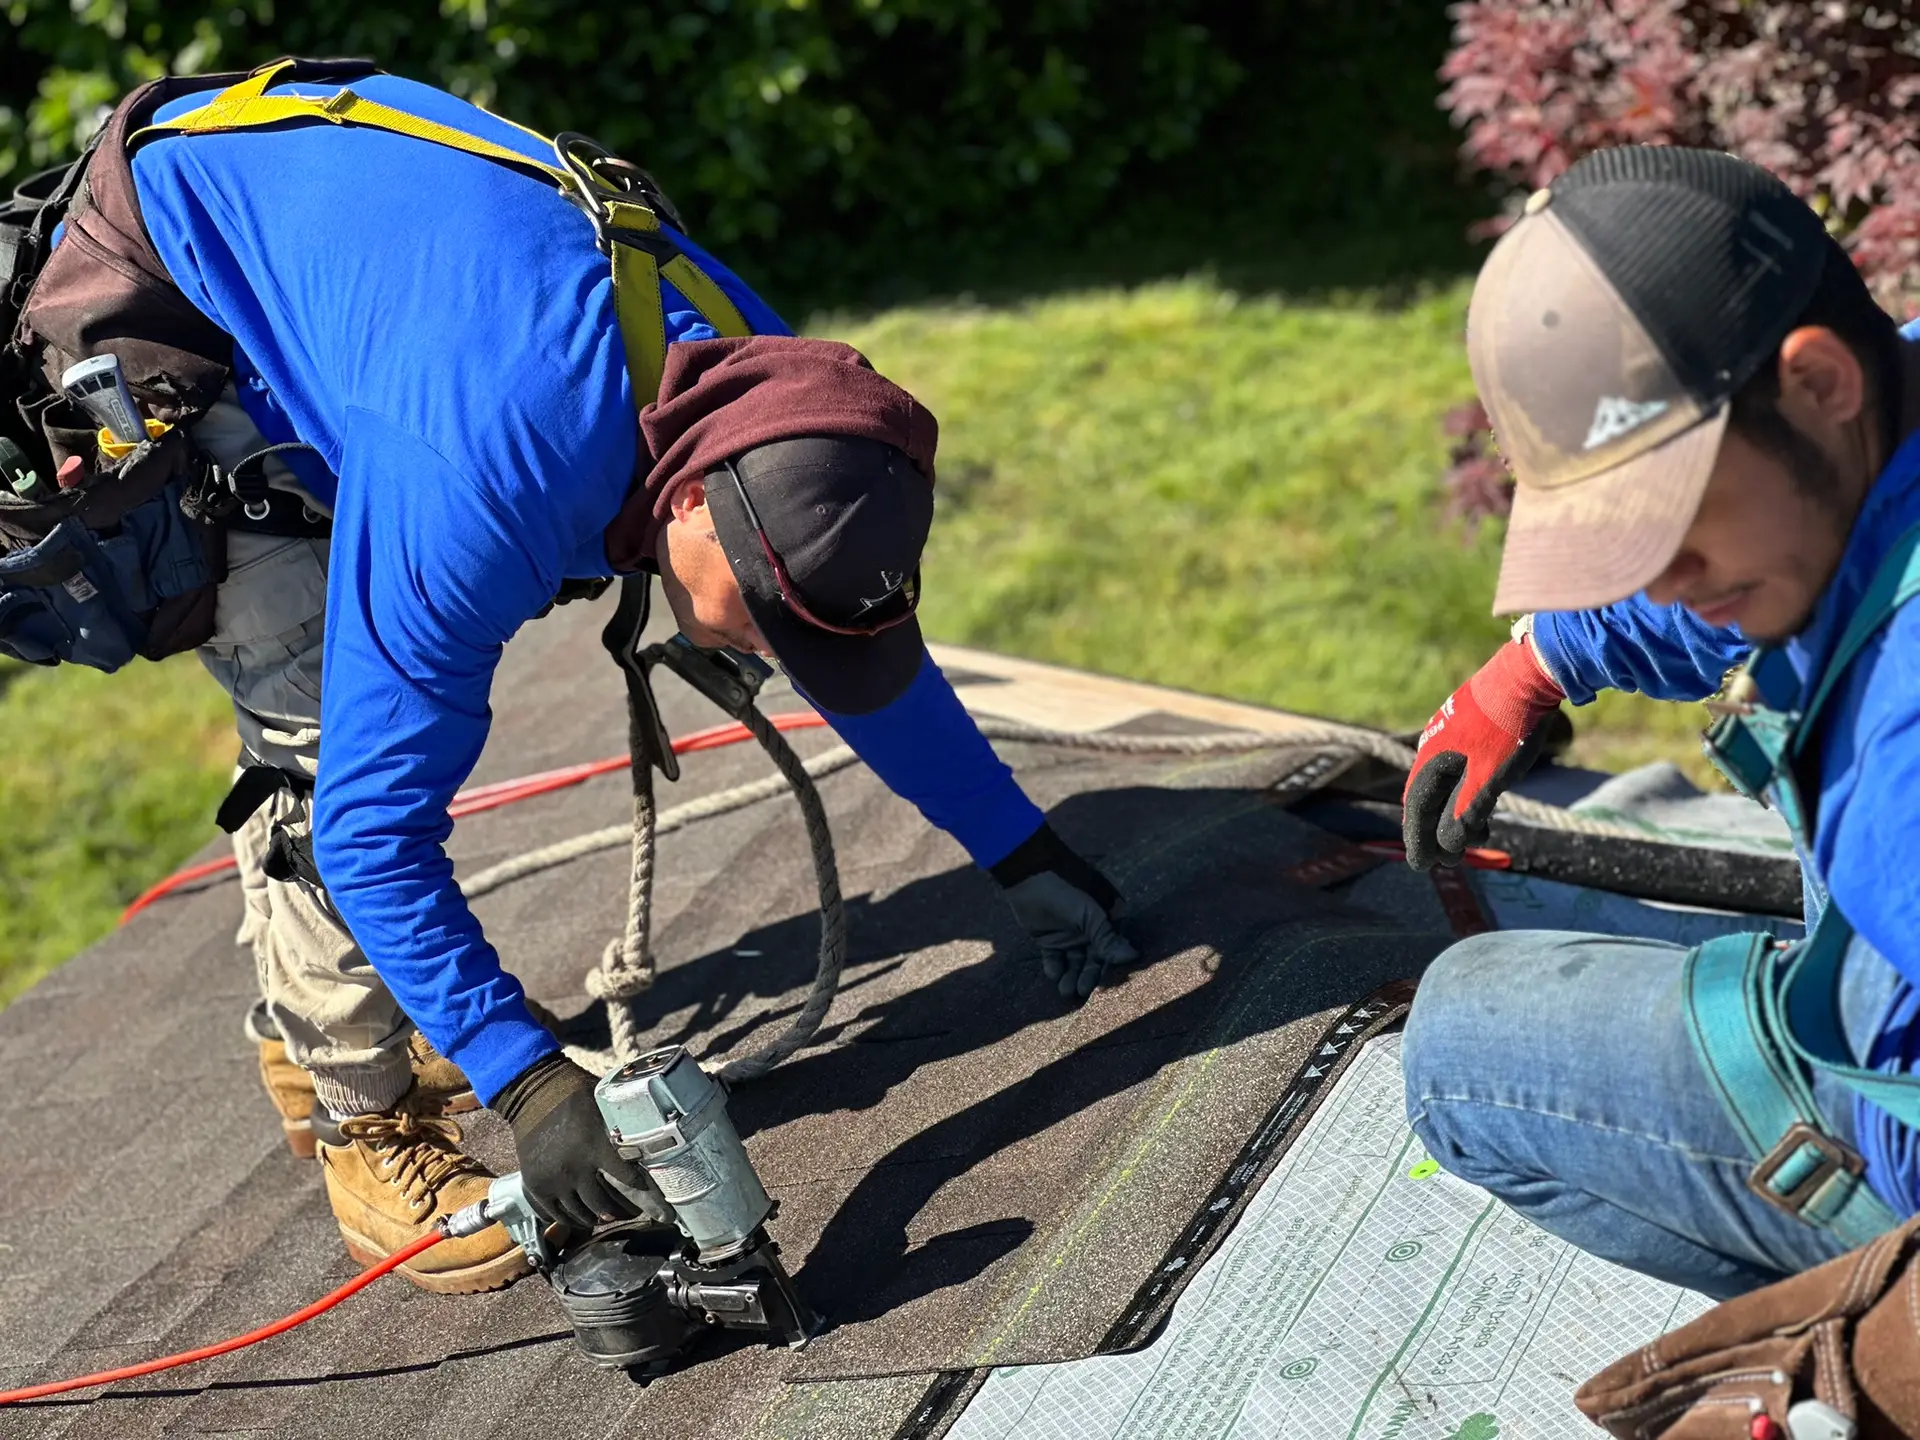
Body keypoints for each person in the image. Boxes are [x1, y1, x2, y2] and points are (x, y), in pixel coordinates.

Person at [10, 60, 1137, 1294]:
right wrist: (530, 1085)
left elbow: (833, 613)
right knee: (324, 730)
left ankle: (374, 1025)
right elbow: (375, 835)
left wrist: (1018, 847)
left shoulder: (777, 391)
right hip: (175, 279)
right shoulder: (479, 485)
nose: (775, 658)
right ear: (690, 502)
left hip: (383, 276)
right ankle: (359, 1119)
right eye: (768, 627)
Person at [1397, 144, 1920, 1300]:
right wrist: (1540, 661)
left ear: (1819, 381)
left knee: (1457, 1049)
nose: (1657, 577)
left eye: (1666, 518)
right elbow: (1772, 547)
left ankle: (1855, 1298)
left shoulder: (1904, 751)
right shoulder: (1884, 402)